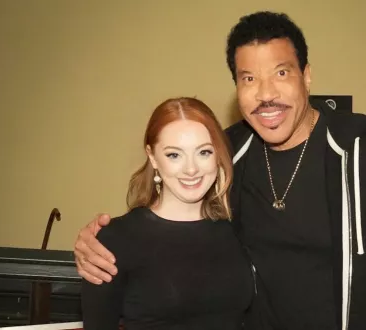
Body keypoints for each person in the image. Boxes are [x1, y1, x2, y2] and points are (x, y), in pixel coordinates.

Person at [74, 11, 366, 330]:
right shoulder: (229, 156)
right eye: (249, 79)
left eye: (281, 73)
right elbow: (170, 211)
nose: (266, 94)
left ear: (306, 75)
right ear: (236, 87)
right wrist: (96, 243)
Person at [79, 97, 255, 330]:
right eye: (174, 155)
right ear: (153, 157)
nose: (191, 169)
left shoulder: (237, 229)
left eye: (203, 152)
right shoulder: (114, 241)